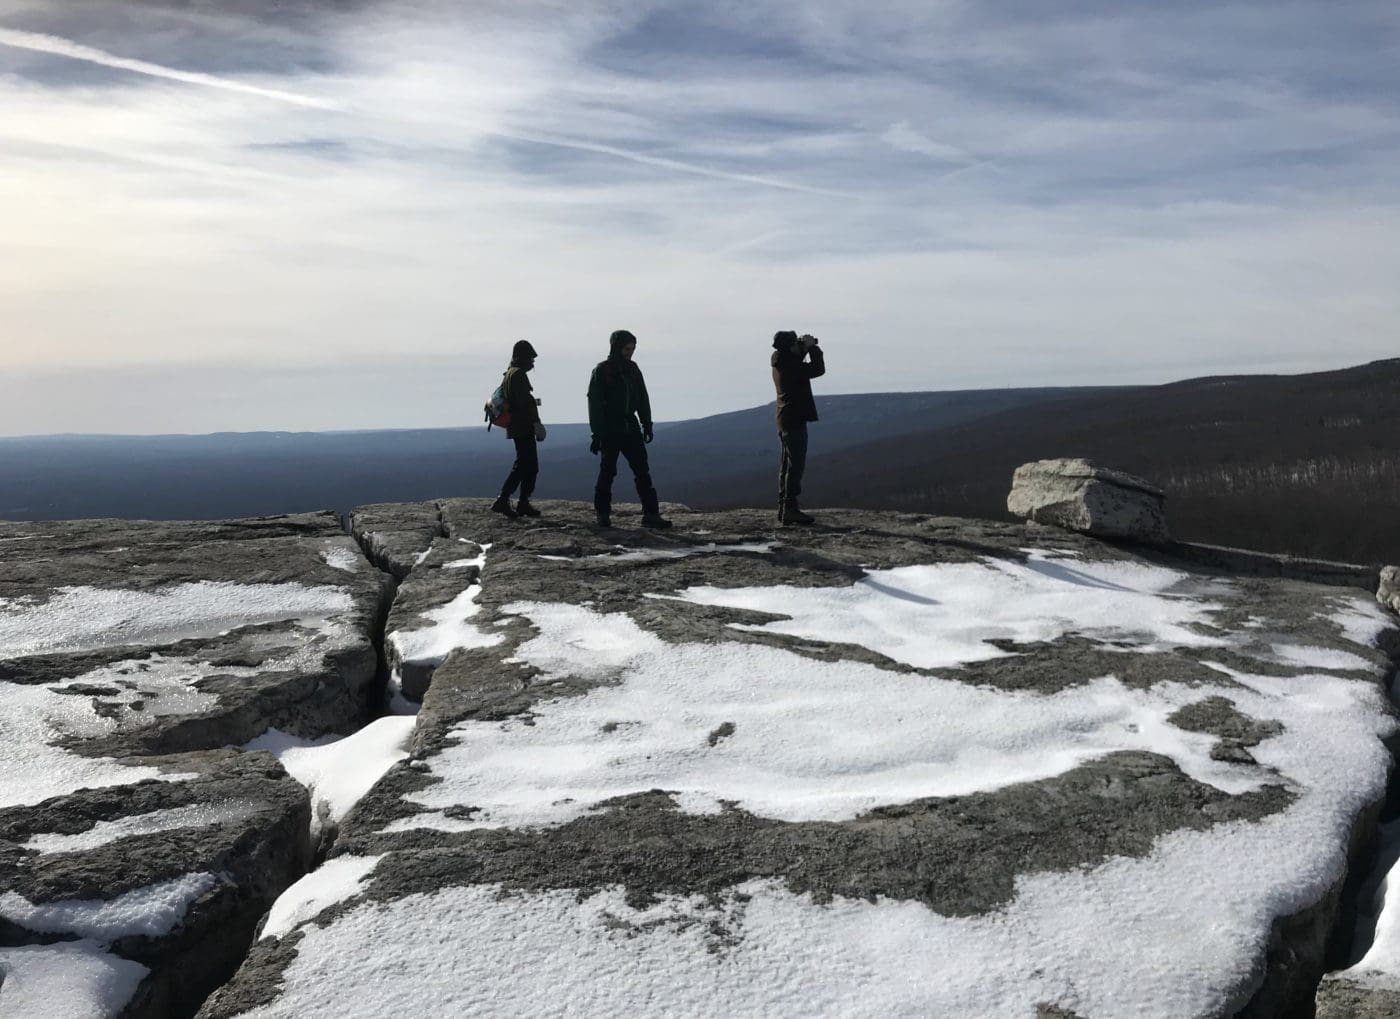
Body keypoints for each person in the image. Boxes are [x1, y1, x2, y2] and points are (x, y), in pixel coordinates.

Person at [587, 329, 671, 529]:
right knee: (608, 471)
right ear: (616, 347)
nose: (630, 352)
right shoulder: (602, 370)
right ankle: (603, 514)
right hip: (610, 427)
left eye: (633, 348)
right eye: (627, 348)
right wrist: (597, 434)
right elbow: (595, 404)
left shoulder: (633, 369)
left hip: (630, 426)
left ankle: (651, 514)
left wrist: (647, 423)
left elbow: (643, 397)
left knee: (642, 470)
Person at [770, 329, 825, 525]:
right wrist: (813, 348)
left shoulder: (780, 361)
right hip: (794, 421)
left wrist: (801, 348)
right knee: (795, 467)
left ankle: (784, 508)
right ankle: (790, 509)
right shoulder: (790, 366)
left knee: (787, 466)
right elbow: (817, 370)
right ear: (789, 347)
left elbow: (792, 359)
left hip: (784, 420)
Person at [491, 339, 546, 519]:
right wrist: (536, 422)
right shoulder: (518, 375)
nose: (532, 362)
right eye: (530, 358)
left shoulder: (510, 373)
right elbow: (523, 402)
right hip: (523, 425)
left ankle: (521, 502)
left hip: (517, 425)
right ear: (521, 357)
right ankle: (505, 499)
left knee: (526, 464)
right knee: (526, 464)